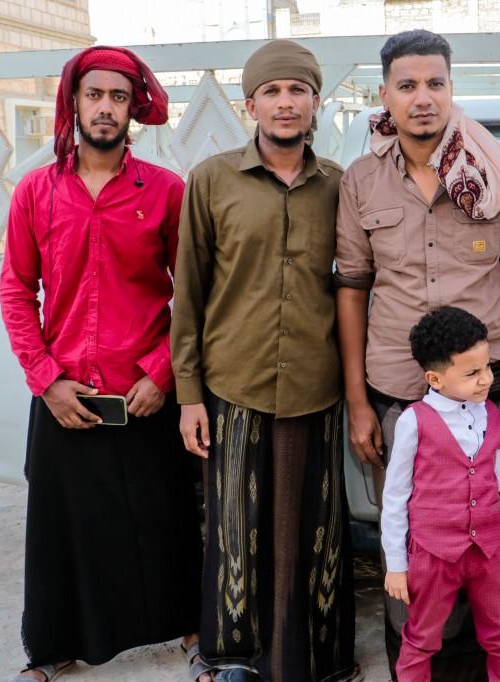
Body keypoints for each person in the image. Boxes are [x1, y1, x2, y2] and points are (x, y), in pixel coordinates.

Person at [335, 29, 500, 679]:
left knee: (487, 528)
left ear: (451, 88)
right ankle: (416, 662)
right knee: (408, 531)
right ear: (385, 95)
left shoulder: (492, 169)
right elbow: (351, 290)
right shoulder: (362, 181)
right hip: (397, 384)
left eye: (435, 83)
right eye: (407, 85)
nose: (423, 98)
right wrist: (357, 400)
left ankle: (477, 666)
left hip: (484, 382)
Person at [0, 46, 203, 681]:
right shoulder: (36, 191)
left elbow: (194, 293)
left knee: (165, 522)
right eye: (95, 95)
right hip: (65, 396)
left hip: (144, 394)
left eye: (119, 97)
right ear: (74, 103)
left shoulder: (165, 190)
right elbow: (16, 290)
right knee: (61, 533)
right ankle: (54, 648)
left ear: (133, 109)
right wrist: (46, 380)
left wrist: (162, 371)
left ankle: (196, 634)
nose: (106, 108)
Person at [170, 39, 356, 682]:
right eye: (271, 92)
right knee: (235, 527)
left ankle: (320, 661)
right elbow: (189, 292)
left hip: (315, 385)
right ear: (250, 105)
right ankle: (231, 658)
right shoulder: (212, 180)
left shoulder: (339, 186)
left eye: (297, 90)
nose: (285, 103)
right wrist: (189, 395)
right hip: (233, 384)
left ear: (315, 103)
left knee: (315, 528)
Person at [382, 307, 500, 682]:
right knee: (421, 638)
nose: (486, 379)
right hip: (434, 555)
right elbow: (395, 497)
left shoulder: (490, 414)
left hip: (489, 551)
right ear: (435, 378)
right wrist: (396, 564)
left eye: (487, 367)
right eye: (472, 373)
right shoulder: (414, 421)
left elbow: (498, 475)